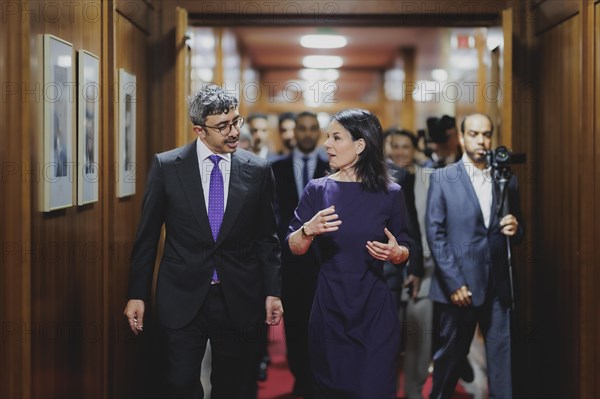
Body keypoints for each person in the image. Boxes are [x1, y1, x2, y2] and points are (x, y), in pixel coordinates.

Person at [123, 84, 283, 399]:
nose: (234, 131)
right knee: (180, 383)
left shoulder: (259, 170)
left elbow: (268, 239)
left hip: (238, 296)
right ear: (199, 130)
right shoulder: (168, 167)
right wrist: (136, 294)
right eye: (222, 126)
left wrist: (272, 291)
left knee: (232, 385)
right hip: (181, 295)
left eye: (236, 121)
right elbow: (147, 237)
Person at [287, 109, 413, 398]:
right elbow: (294, 246)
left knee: (374, 388)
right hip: (330, 311)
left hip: (375, 312)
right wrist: (308, 230)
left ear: (360, 145)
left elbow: (406, 246)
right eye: (327, 137)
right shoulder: (317, 190)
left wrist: (397, 252)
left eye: (335, 137)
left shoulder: (391, 192)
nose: (327, 144)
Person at [426, 113, 524, 399]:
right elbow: (436, 234)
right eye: (474, 134)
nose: (481, 140)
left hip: (498, 286)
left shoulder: (506, 179)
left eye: (486, 134)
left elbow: (518, 231)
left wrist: (516, 227)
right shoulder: (443, 178)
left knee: (502, 363)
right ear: (461, 137)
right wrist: (455, 283)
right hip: (458, 289)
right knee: (450, 361)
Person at [271, 111, 329, 398]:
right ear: (295, 132)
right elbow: (273, 216)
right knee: (293, 325)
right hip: (289, 261)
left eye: (312, 129)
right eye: (302, 129)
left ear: (318, 132)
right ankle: (300, 379)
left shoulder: (330, 167)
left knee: (320, 324)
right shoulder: (276, 167)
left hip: (324, 262)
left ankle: (317, 380)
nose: (307, 133)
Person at [387, 128, 434, 399]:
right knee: (390, 339)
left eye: (406, 147)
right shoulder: (383, 180)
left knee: (418, 341)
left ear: (414, 149)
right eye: (396, 146)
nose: (400, 152)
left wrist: (418, 265)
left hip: (425, 272)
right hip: (391, 274)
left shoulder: (427, 179)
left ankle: (414, 392)